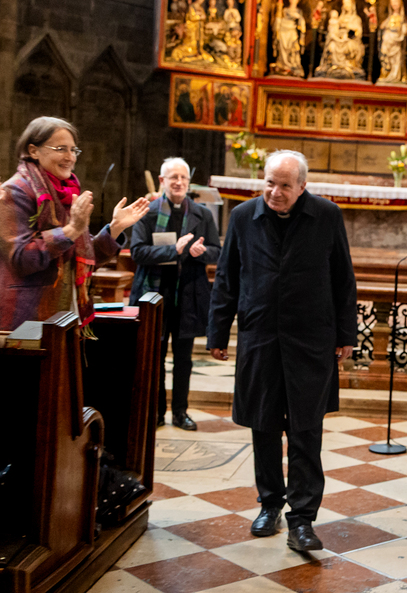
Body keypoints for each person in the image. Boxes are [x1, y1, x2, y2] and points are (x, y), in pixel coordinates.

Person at [207, 151, 357, 552]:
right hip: (260, 338)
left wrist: (346, 334)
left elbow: (343, 278)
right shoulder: (243, 216)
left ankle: (303, 519)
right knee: (264, 426)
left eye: (285, 185)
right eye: (270, 183)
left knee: (306, 430)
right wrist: (217, 332)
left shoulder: (326, 216)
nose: (275, 192)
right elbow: (227, 277)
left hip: (310, 340)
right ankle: (270, 505)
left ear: (303, 186)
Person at [0, 117, 148, 332]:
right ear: (34, 151)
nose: (70, 157)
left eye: (73, 150)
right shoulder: (16, 191)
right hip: (27, 317)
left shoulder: (66, 193)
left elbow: (83, 259)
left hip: (67, 314)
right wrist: (71, 230)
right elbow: (21, 258)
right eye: (61, 149)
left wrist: (115, 228)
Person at [130, 158, 221, 431]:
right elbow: (137, 252)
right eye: (173, 177)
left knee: (184, 359)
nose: (179, 182)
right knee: (154, 357)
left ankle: (180, 412)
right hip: (154, 294)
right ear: (162, 181)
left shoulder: (202, 214)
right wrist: (174, 250)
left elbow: (217, 251)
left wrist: (201, 252)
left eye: (183, 177)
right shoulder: (148, 212)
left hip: (188, 294)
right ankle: (156, 412)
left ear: (188, 181)